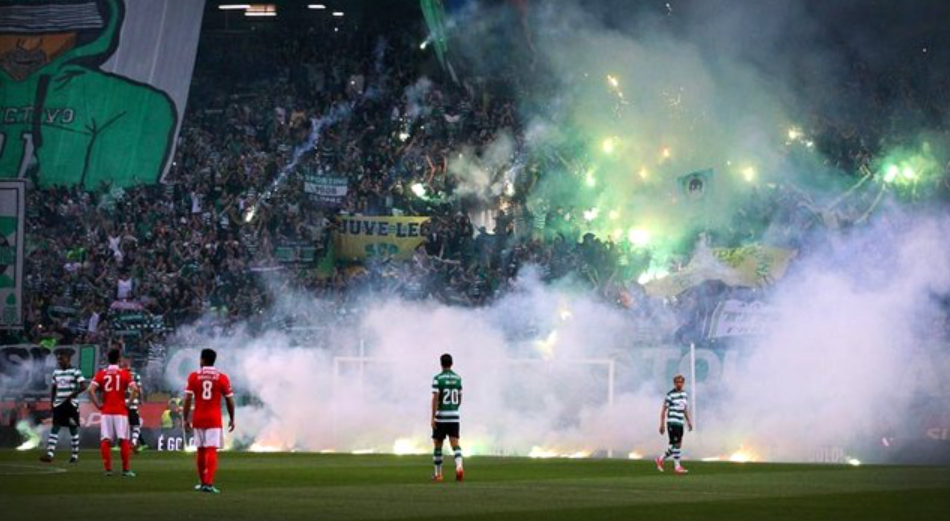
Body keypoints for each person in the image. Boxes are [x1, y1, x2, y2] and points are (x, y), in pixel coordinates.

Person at [182, 348, 235, 494]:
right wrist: (232, 418)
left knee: (200, 450)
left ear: (202, 360)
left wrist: (185, 418)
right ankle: (209, 483)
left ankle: (201, 482)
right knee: (211, 450)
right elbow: (230, 400)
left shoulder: (193, 376)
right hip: (213, 419)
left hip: (198, 417)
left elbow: (187, 399)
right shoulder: (221, 377)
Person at [87, 349, 138, 477]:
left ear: (108, 359)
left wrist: (98, 404)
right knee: (124, 439)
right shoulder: (124, 373)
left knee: (105, 439)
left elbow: (90, 390)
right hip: (121, 411)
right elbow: (135, 389)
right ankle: (125, 470)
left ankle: (108, 469)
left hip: (106, 411)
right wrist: (128, 403)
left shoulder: (101, 373)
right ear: (119, 359)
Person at [40, 349, 87, 463]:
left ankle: (75, 456)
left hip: (71, 405)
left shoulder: (75, 371)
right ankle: (50, 454)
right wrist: (52, 402)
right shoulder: (56, 372)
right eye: (58, 359)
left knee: (73, 428)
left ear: (68, 359)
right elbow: (54, 388)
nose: (59, 361)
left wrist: (72, 395)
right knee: (55, 427)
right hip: (59, 404)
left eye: (61, 359)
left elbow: (83, 386)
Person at [430, 353, 463, 482]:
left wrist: (433, 417)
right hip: (454, 416)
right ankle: (459, 466)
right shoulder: (458, 378)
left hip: (442, 417)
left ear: (441, 363)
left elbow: (435, 398)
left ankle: (438, 475)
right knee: (455, 444)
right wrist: (454, 409)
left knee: (438, 445)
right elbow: (460, 398)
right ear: (452, 363)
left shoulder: (438, 378)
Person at [656, 374, 693, 474]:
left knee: (678, 445)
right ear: (674, 383)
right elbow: (664, 410)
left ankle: (660, 459)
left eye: (681, 382)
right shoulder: (670, 395)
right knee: (676, 444)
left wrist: (689, 421)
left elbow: (684, 409)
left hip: (680, 422)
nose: (679, 384)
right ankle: (677, 467)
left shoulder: (685, 394)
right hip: (672, 422)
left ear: (683, 383)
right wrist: (662, 424)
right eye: (677, 382)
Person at [121, 356, 144, 451]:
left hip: (122, 404)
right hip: (132, 404)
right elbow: (139, 390)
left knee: (124, 425)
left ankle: (126, 444)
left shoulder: (119, 374)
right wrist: (141, 400)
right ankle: (134, 442)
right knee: (135, 425)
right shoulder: (135, 375)